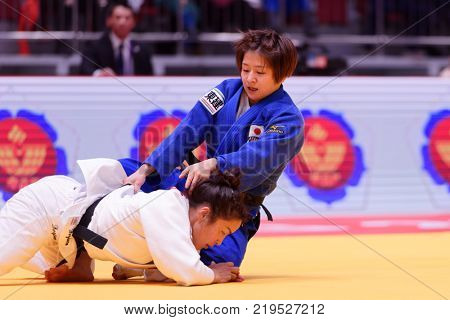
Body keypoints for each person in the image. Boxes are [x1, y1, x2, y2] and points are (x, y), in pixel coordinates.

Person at [122, 29, 305, 268]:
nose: (249, 78)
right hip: (196, 188)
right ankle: (158, 260)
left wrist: (216, 164)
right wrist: (147, 169)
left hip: (234, 206)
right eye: (245, 68)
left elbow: (259, 158)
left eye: (260, 72)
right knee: (128, 172)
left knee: (225, 258)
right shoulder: (225, 91)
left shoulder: (287, 118)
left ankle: (152, 264)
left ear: (282, 74)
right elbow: (189, 129)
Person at [0, 158, 248, 286]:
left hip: (70, 237)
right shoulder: (168, 205)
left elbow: (161, 274)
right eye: (223, 231)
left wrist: (133, 270)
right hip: (48, 205)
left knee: (77, 269)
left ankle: (76, 263)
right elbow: (182, 270)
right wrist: (213, 275)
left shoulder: (181, 233)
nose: (219, 241)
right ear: (204, 214)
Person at [79, 2, 153, 76]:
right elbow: (85, 68)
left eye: (127, 18)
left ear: (134, 22)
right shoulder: (93, 47)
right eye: (118, 17)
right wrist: (99, 73)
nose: (122, 22)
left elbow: (150, 77)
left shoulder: (143, 50)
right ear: (108, 20)